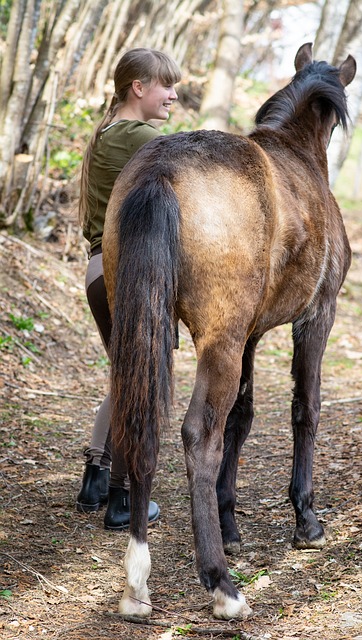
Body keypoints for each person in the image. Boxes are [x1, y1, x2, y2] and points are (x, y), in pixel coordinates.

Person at [76, 48, 182, 530]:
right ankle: (122, 500)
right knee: (139, 381)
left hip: (100, 270)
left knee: (124, 376)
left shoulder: (108, 133)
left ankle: (95, 477)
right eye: (165, 86)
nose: (173, 95)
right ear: (138, 88)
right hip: (126, 273)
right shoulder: (142, 138)